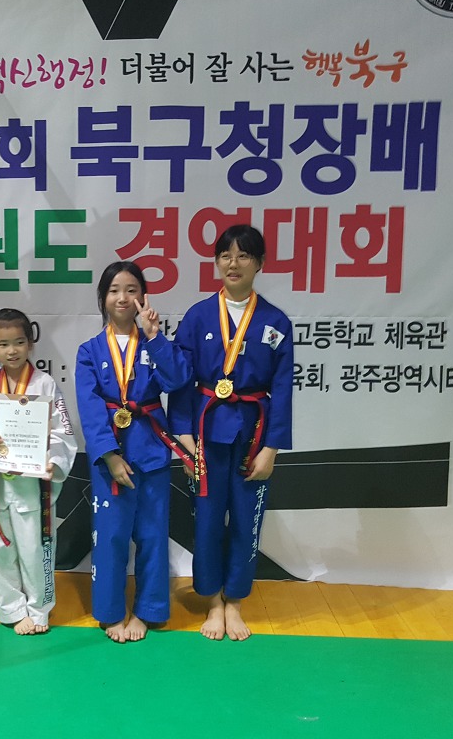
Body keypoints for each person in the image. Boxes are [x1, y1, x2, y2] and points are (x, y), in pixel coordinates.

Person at [168, 224, 294, 642]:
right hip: (205, 432)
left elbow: (282, 388)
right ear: (216, 262)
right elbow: (181, 381)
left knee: (245, 519)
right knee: (206, 518)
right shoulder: (198, 316)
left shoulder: (276, 321)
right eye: (225, 255)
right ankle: (213, 601)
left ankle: (235, 600)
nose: (233, 263)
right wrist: (184, 438)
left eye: (243, 256)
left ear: (259, 264)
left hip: (253, 433)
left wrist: (272, 447)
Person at [75, 261, 191, 643]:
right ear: (103, 298)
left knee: (152, 535)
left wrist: (155, 337)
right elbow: (90, 407)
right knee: (110, 537)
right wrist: (109, 455)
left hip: (151, 447)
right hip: (110, 456)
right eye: (113, 290)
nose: (122, 297)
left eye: (131, 289)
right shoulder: (89, 351)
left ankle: (148, 610)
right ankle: (111, 612)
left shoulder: (152, 343)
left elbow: (177, 380)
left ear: (143, 296)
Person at [0, 309, 77, 634]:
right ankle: (12, 610)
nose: (12, 350)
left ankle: (39, 610)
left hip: (34, 486)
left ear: (31, 343)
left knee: (36, 549)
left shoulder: (45, 384)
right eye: (3, 344)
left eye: (18, 342)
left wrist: (54, 460)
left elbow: (63, 431)